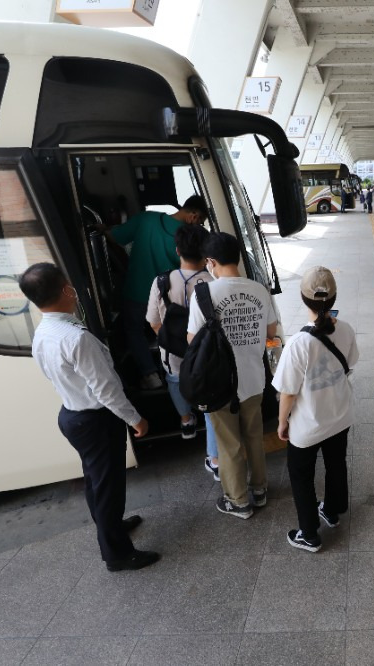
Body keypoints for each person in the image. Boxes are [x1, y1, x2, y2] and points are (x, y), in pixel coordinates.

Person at [20, 263, 159, 572]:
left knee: (96, 482)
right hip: (95, 420)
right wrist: (135, 419)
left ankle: (111, 526)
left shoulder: (43, 332)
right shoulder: (76, 338)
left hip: (72, 416)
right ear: (66, 290)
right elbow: (106, 390)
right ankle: (117, 554)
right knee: (109, 488)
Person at [187, 232, 278, 519]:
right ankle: (260, 489)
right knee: (254, 437)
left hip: (219, 383)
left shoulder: (203, 294)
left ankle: (238, 501)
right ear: (237, 257)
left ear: (211, 262)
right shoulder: (259, 290)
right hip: (254, 379)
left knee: (229, 444)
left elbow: (192, 340)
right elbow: (271, 332)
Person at [273, 267, 359, 552]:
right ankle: (332, 511)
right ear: (333, 297)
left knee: (301, 476)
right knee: (336, 464)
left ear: (303, 298)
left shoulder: (298, 343)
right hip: (339, 416)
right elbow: (350, 363)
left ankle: (309, 534)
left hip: (307, 426)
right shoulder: (345, 329)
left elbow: (288, 392)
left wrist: (282, 422)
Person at [109, 196, 209, 390]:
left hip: (136, 291)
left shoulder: (145, 219)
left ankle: (150, 374)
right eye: (200, 221)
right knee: (171, 331)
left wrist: (104, 229)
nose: (199, 225)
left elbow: (116, 237)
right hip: (167, 297)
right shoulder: (187, 237)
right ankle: (180, 371)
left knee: (134, 330)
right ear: (194, 216)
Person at [145, 225, 221, 470]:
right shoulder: (213, 281)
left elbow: (153, 322)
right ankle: (214, 459)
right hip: (206, 354)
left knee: (175, 381)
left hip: (173, 354)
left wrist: (172, 340)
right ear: (206, 252)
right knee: (210, 403)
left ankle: (187, 420)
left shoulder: (161, 281)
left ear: (177, 250)